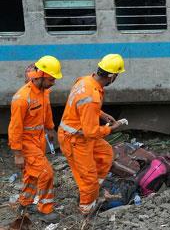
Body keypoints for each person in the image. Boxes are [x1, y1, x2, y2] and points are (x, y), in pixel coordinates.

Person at [58, 54, 125, 215]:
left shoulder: (85, 81)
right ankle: (86, 211)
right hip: (75, 139)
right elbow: (92, 132)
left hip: (80, 135)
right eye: (117, 75)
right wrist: (111, 128)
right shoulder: (92, 96)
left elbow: (83, 106)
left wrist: (102, 115)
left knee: (106, 154)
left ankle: (94, 191)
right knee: (88, 178)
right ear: (112, 76)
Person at [9, 56, 62, 222]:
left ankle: (24, 203)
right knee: (46, 173)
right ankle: (45, 210)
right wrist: (18, 154)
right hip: (26, 143)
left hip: (38, 140)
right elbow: (15, 128)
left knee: (32, 174)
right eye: (52, 79)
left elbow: (46, 111)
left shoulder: (44, 92)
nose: (54, 82)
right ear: (42, 76)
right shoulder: (22, 99)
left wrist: (50, 129)